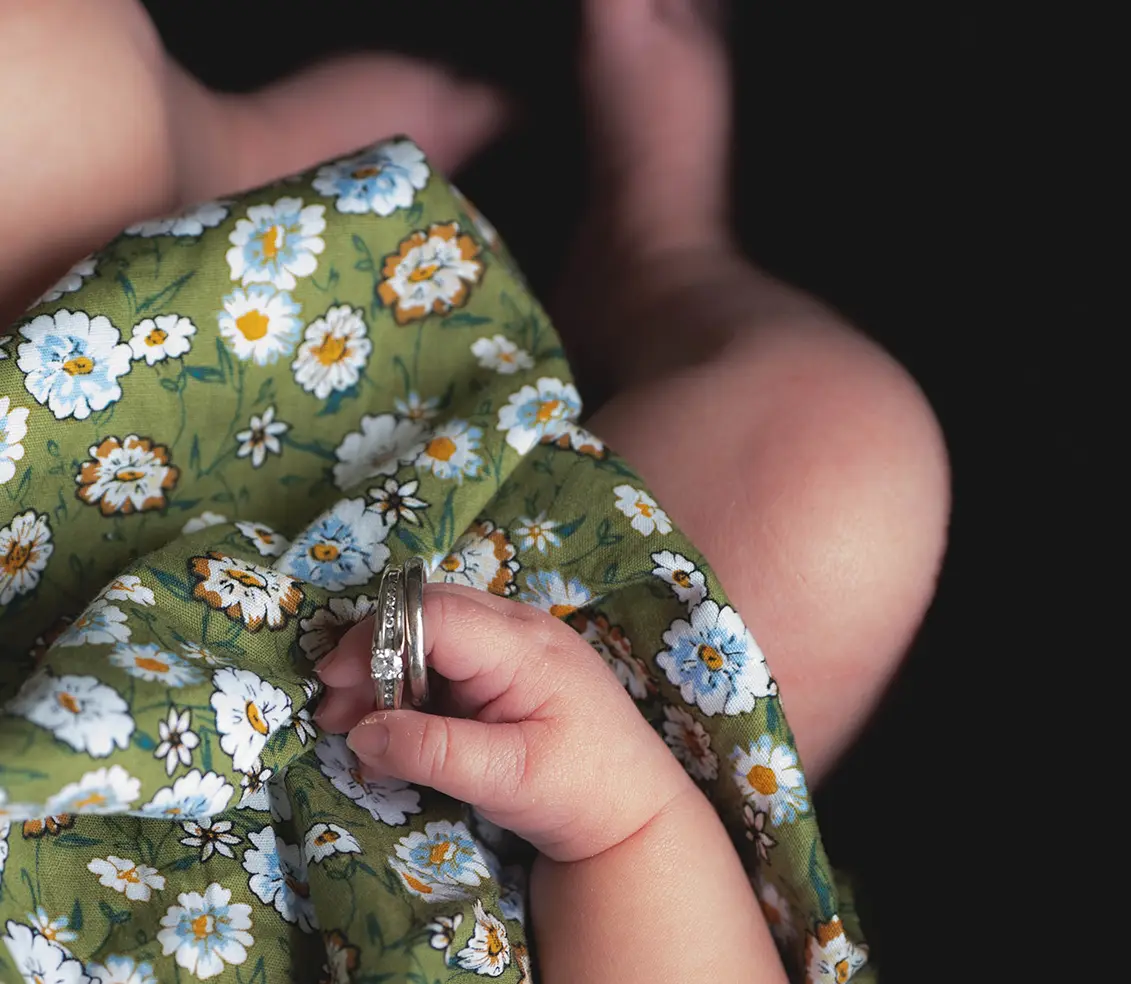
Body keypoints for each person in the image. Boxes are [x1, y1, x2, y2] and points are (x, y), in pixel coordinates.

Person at [0, 1, 949, 981]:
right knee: (836, 470)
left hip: (49, 575)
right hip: (512, 829)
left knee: (41, 74)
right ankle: (657, 251)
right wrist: (621, 822)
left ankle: (232, 164)